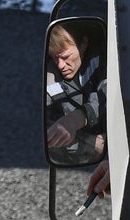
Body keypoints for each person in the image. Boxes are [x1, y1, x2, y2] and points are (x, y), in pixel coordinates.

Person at [45, 23, 106, 163]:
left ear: (83, 44)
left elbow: (110, 96)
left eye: (65, 57)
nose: (60, 65)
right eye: (55, 58)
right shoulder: (50, 74)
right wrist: (92, 141)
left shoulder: (105, 61)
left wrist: (76, 119)